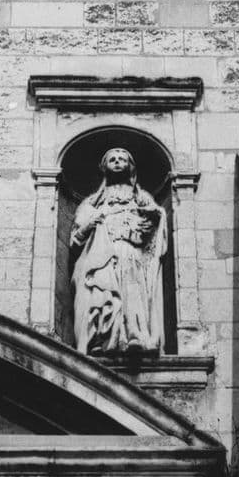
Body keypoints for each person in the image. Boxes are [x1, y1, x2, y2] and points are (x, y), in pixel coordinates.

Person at [70, 148, 167, 355]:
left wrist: (154, 216)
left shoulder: (141, 198)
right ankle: (102, 338)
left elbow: (154, 224)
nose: (116, 162)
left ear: (130, 166)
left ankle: (134, 335)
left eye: (122, 159)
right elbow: (76, 239)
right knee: (101, 292)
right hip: (100, 254)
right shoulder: (92, 202)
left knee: (132, 291)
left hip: (130, 251)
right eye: (112, 159)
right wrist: (91, 223)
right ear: (104, 167)